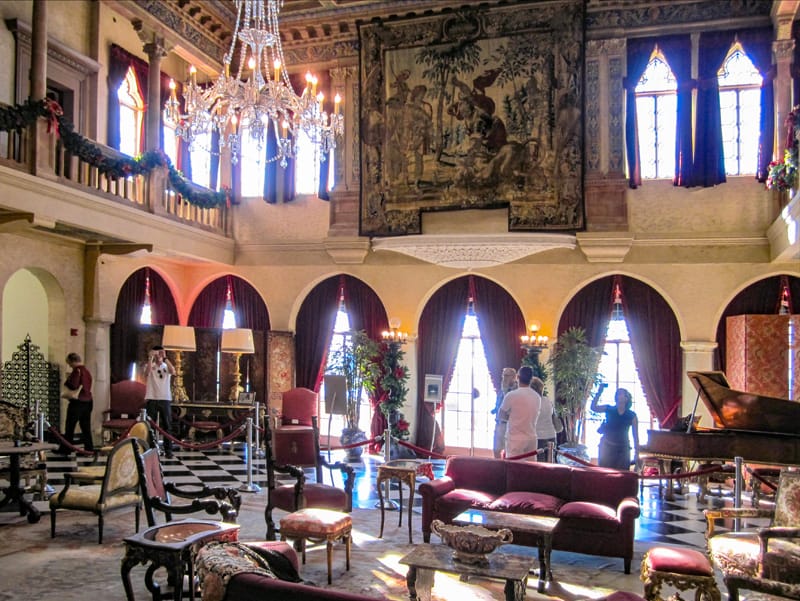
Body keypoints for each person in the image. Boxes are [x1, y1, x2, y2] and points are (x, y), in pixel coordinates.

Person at [590, 384, 639, 470]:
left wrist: (637, 452)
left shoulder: (632, 415)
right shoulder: (609, 409)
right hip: (607, 447)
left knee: (622, 477)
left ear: (627, 398)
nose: (619, 395)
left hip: (623, 449)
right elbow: (593, 407)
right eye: (618, 394)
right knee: (604, 475)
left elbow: (635, 436)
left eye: (622, 394)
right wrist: (599, 392)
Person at [499, 365, 541, 461]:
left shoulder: (512, 395)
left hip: (515, 438)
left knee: (514, 468)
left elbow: (501, 414)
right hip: (531, 437)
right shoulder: (537, 397)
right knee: (531, 469)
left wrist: (511, 416)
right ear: (531, 379)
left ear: (517, 377)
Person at [144, 345, 177, 458]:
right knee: (150, 426)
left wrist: (165, 358)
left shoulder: (166, 366)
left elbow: (173, 371)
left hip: (165, 398)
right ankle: (151, 449)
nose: (159, 355)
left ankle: (168, 451)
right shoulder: (150, 365)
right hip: (152, 398)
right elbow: (147, 373)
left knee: (167, 425)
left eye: (160, 353)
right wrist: (150, 358)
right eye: (157, 353)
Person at [59, 352, 94, 454]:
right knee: (86, 427)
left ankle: (66, 448)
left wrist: (67, 381)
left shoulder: (76, 371)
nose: (69, 365)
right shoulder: (87, 371)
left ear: (72, 361)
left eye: (69, 363)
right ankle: (89, 448)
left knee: (70, 426)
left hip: (77, 402)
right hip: (88, 401)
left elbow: (73, 385)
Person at [491, 367, 517, 458]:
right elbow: (499, 403)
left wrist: (506, 391)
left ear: (514, 377)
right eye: (503, 376)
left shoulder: (516, 390)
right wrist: (495, 409)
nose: (504, 378)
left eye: (506, 376)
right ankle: (497, 468)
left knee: (508, 452)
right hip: (498, 423)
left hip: (508, 425)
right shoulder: (502, 389)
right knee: (496, 450)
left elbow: (511, 405)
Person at [531, 377, 557, 462]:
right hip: (551, 435)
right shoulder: (548, 401)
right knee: (550, 463)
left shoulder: (532, 402)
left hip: (538, 436)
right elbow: (553, 417)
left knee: (539, 466)